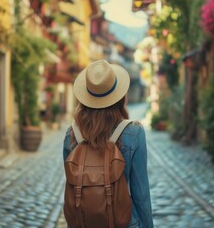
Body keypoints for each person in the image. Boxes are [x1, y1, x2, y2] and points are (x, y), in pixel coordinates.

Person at [63, 60, 154, 228]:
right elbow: (141, 195)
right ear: (119, 97)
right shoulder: (134, 133)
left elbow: (72, 188)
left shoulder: (72, 135)